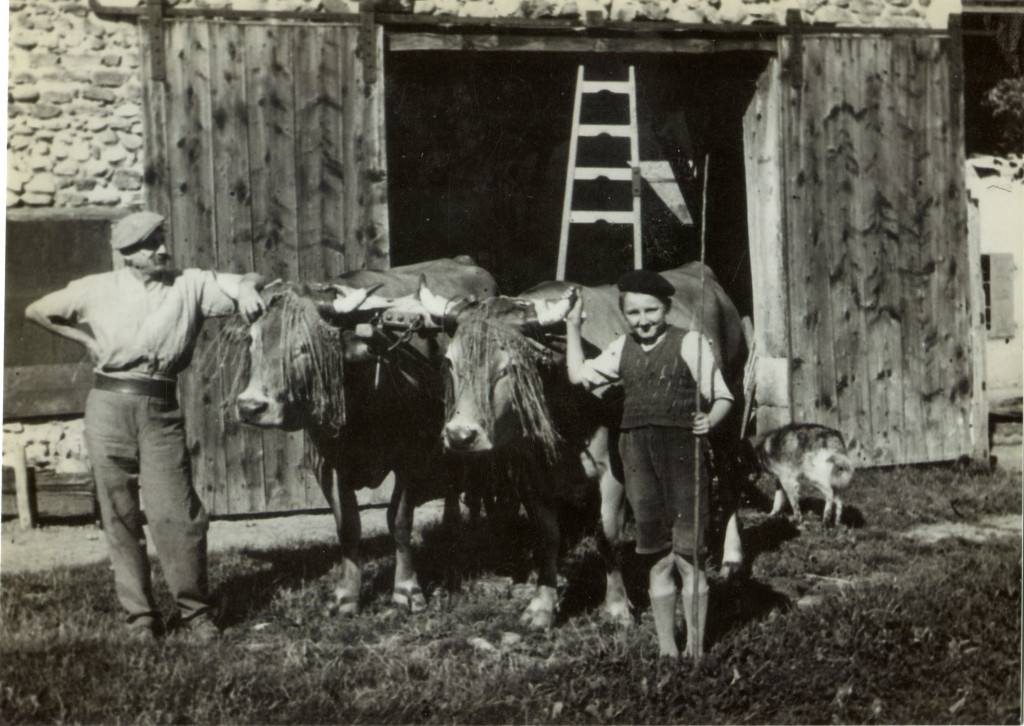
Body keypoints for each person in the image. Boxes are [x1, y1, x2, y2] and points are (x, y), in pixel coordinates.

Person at [25, 211, 266, 643]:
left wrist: (247, 287)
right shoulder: (95, 288)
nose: (160, 250)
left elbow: (249, 278)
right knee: (119, 515)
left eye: (160, 240)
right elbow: (37, 310)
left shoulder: (190, 284)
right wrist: (86, 341)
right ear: (127, 255)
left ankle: (195, 614)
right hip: (107, 406)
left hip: (160, 409)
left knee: (178, 513)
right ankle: (140, 617)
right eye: (148, 245)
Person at [565, 269, 734, 661]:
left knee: (689, 555)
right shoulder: (620, 348)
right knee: (656, 556)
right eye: (634, 313)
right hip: (637, 457)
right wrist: (574, 327)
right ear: (625, 314)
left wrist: (711, 419)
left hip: (682, 455)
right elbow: (578, 375)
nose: (643, 320)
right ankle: (666, 649)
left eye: (651, 311)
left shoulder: (690, 343)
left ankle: (696, 648)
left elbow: (722, 395)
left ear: (667, 308)